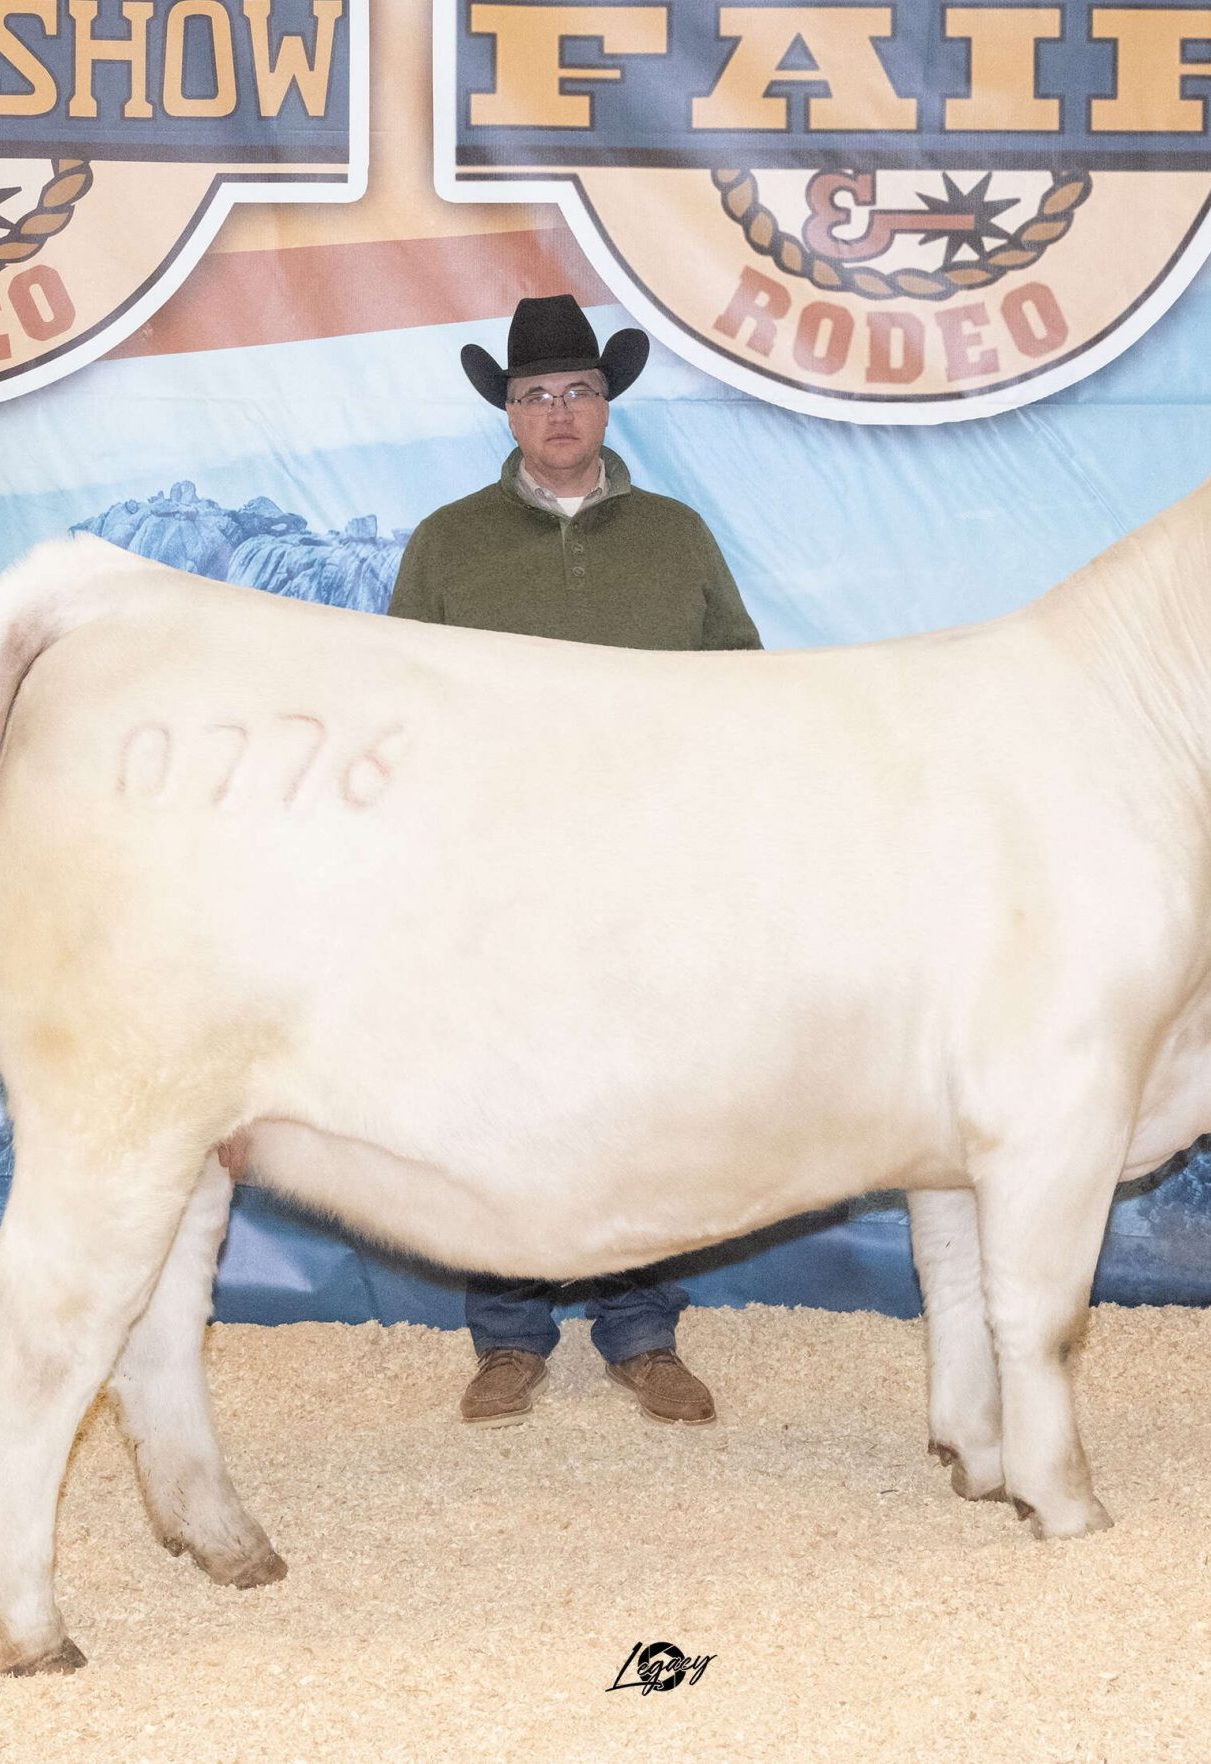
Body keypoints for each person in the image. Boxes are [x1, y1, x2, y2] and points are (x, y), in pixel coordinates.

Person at [388, 293, 762, 1429]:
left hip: (650, 869)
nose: (559, 412)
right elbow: (399, 705)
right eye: (536, 394)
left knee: (639, 1101)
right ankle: (508, 1336)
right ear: (506, 413)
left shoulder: (677, 538)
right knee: (498, 1099)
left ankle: (642, 1334)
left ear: (609, 406)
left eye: (579, 391)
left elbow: (742, 686)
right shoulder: (446, 544)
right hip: (496, 872)